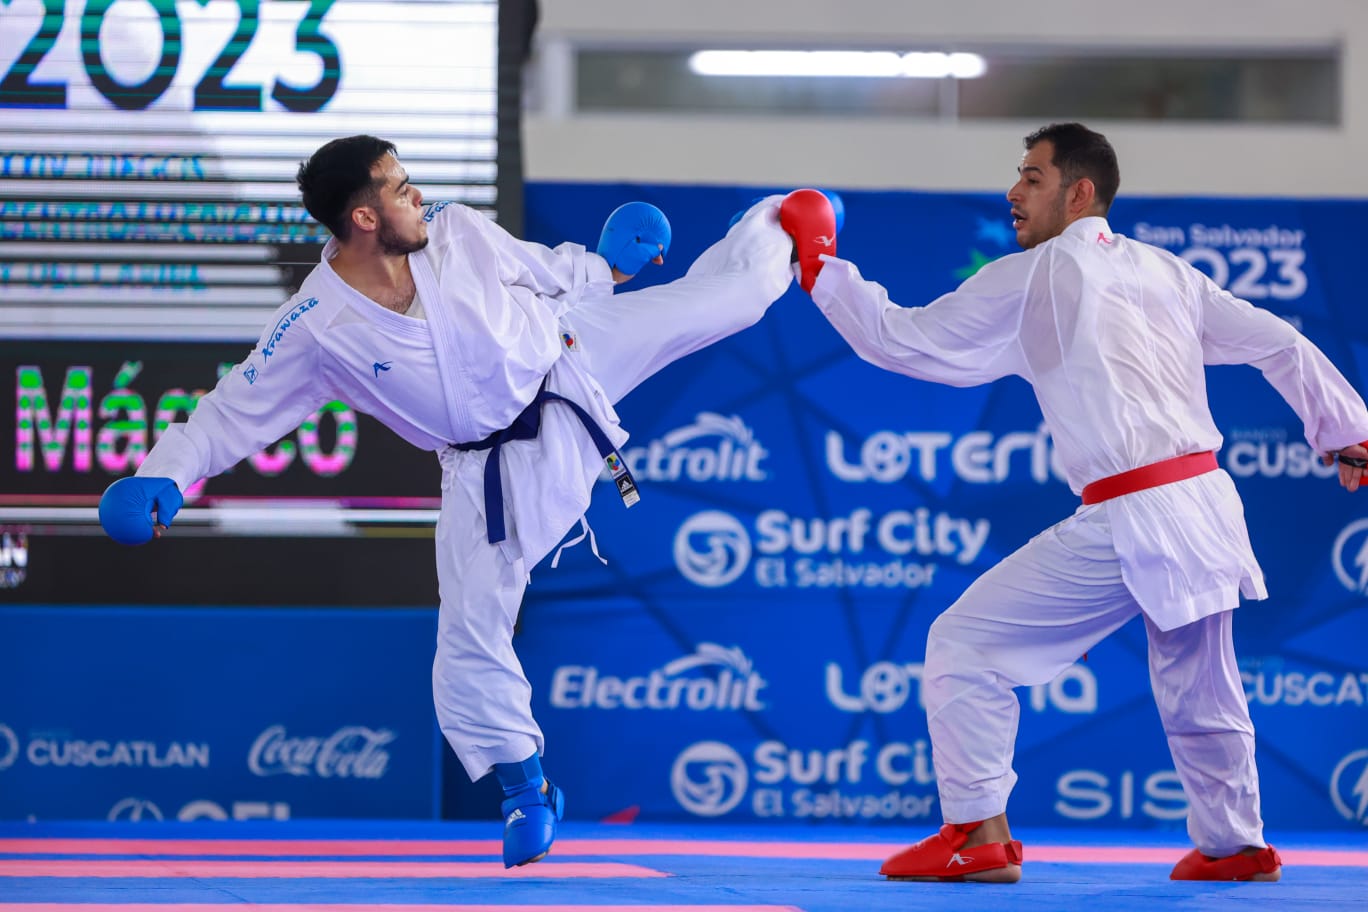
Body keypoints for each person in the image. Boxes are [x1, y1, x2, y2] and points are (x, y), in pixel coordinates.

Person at [97, 135, 811, 868]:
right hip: (489, 471)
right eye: (397, 186)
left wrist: (606, 265)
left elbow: (544, 273)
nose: (415, 194)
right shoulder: (318, 327)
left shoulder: (458, 229)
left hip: (572, 356)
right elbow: (231, 410)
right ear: (364, 218)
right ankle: (527, 788)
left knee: (732, 298)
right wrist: (166, 473)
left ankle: (785, 222)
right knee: (469, 632)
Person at [783, 122, 1368, 884]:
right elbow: (1280, 343)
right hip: (1208, 505)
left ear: (1079, 191)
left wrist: (822, 269)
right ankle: (1236, 846)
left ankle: (977, 836)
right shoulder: (1169, 272)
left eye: (1031, 176)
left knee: (964, 644)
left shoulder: (1042, 271)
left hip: (1135, 512)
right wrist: (1349, 433)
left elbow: (906, 341)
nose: (1013, 192)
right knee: (1201, 682)